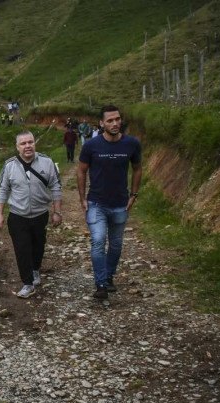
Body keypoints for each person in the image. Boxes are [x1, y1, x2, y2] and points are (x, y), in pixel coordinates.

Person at [77, 105, 142, 301]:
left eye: (117, 119)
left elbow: (137, 169)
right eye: (110, 120)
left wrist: (134, 195)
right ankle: (101, 284)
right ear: (102, 123)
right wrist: (82, 198)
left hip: (120, 203)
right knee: (97, 241)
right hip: (96, 203)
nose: (115, 123)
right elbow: (81, 170)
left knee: (115, 245)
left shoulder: (131, 144)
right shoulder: (91, 145)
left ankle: (109, 276)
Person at [0, 131, 63, 298]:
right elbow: (3, 190)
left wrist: (57, 212)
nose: (28, 146)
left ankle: (35, 270)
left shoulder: (47, 163)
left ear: (35, 143)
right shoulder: (9, 165)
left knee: (38, 246)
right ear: (17, 147)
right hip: (17, 215)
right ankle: (27, 283)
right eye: (23, 143)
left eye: (30, 142)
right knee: (22, 249)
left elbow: (56, 187)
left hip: (40, 214)